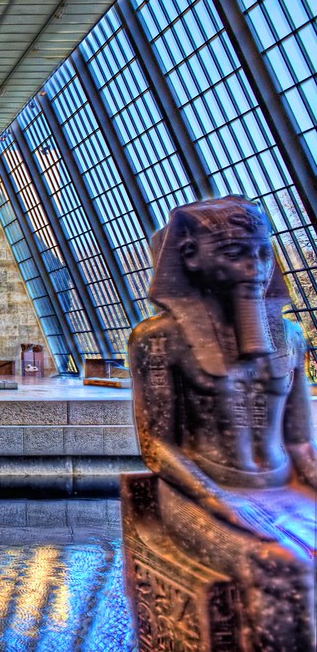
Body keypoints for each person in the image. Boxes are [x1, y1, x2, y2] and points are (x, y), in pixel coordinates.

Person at [129, 195, 316, 648]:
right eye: (235, 254)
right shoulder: (158, 340)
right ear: (190, 257)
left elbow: (300, 443)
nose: (254, 269)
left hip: (277, 485)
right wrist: (221, 503)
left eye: (261, 253)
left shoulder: (289, 337)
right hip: (200, 489)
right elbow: (156, 446)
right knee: (282, 563)